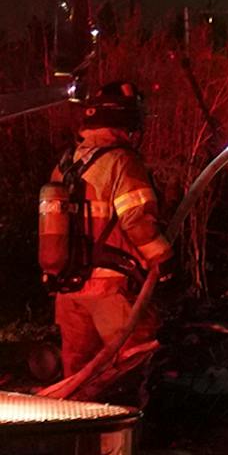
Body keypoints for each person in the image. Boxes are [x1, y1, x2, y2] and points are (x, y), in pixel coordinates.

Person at [41, 81, 171, 379]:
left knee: (79, 373)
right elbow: (137, 222)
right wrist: (164, 260)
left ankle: (80, 425)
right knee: (131, 362)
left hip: (69, 288)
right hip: (110, 290)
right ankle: (121, 425)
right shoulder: (122, 161)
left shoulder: (66, 164)